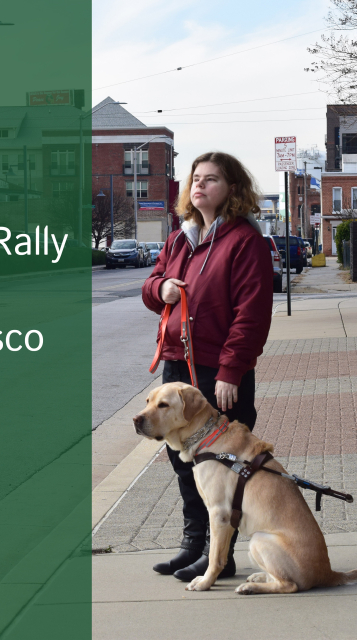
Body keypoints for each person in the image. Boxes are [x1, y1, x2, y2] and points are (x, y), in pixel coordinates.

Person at [141, 151, 273, 582]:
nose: (199, 186)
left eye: (211, 179)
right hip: (178, 365)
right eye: (195, 179)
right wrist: (161, 288)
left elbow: (252, 313)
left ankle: (222, 557)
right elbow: (151, 283)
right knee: (185, 462)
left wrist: (232, 369)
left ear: (232, 189)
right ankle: (193, 544)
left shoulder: (244, 240)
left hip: (220, 371)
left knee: (224, 464)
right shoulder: (181, 237)